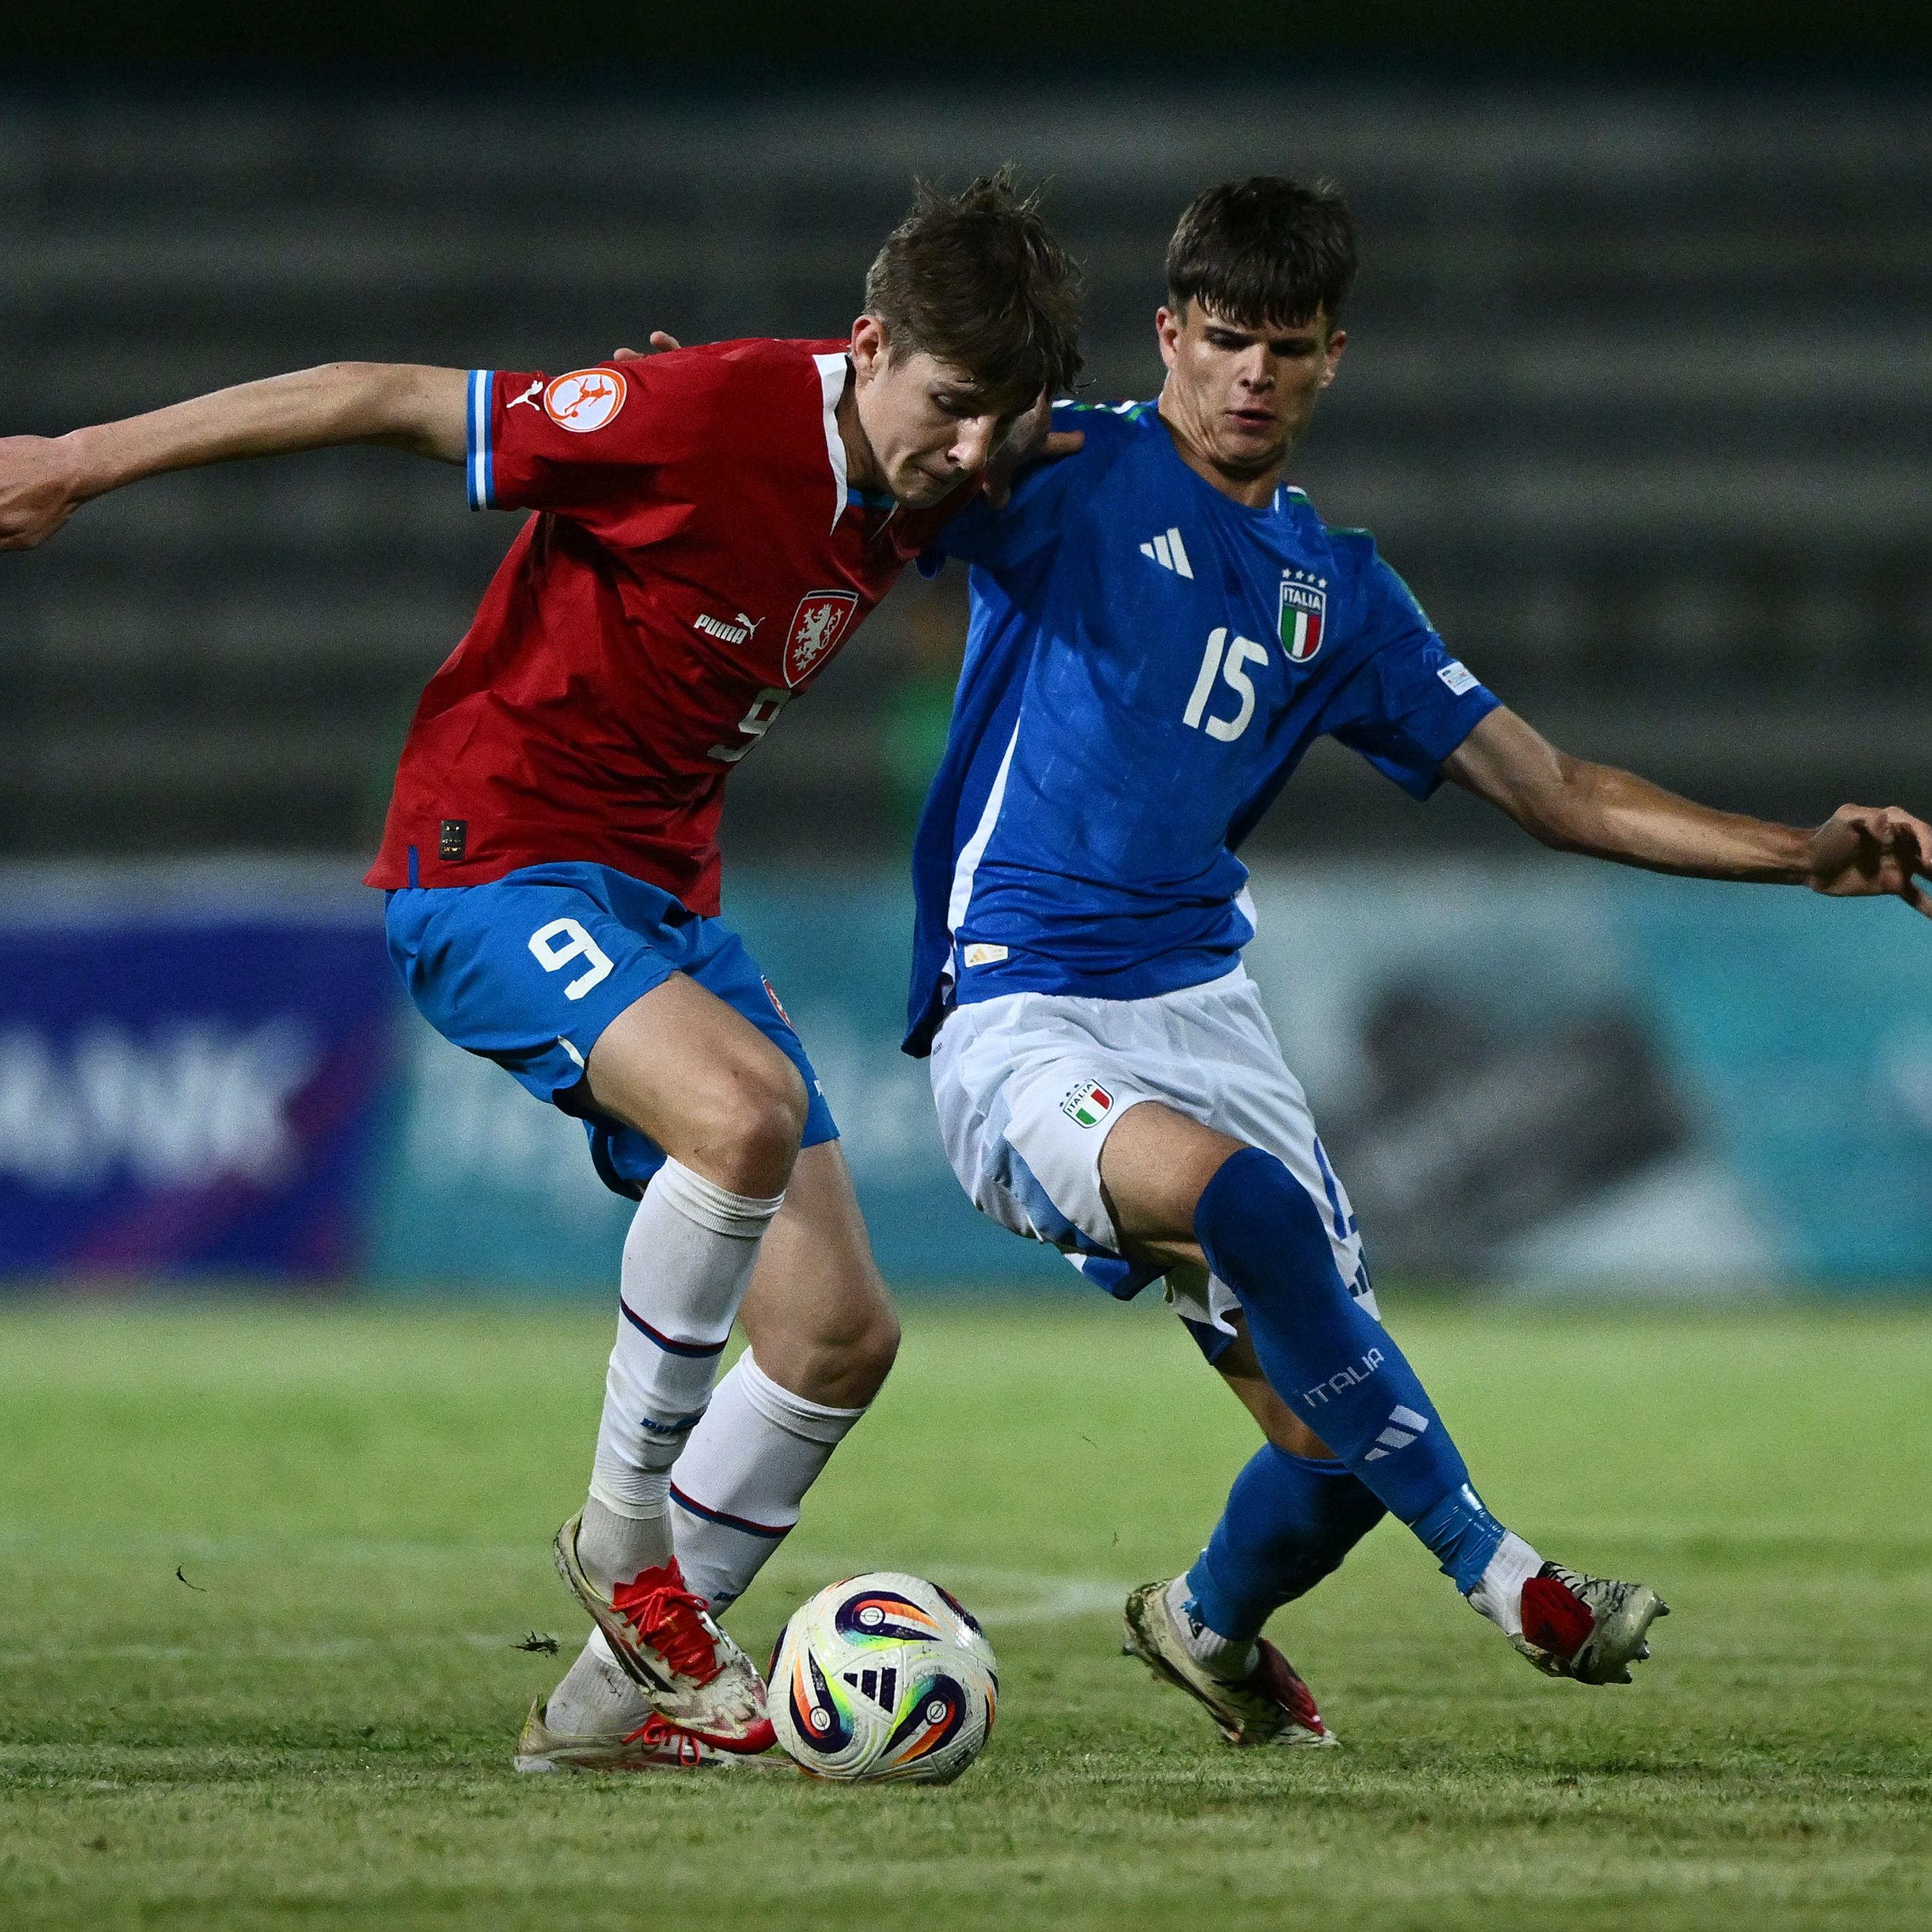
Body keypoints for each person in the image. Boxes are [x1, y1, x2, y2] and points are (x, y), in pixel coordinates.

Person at [0, 172, 1084, 1770]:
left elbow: (1055, 452)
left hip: (659, 900)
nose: (974, 451)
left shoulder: (936, 466)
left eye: (1005, 418)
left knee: (841, 1327)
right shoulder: (702, 412)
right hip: (491, 857)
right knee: (742, 1113)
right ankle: (626, 1540)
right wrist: (78, 461)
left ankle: (594, 1723)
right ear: (866, 347)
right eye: (953, 407)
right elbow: (381, 396)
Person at [906, 175, 1931, 1747]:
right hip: (1022, 1006)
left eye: (1290, 348)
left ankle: (1205, 1625)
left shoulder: (1340, 592)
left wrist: (1798, 855)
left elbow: (1558, 789)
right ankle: (1507, 1572)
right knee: (1247, 1208)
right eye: (1227, 339)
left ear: (1334, 360)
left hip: (1203, 1008)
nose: (1254, 375)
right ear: (1169, 334)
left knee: (1338, 1445)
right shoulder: (1072, 464)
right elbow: (876, 459)